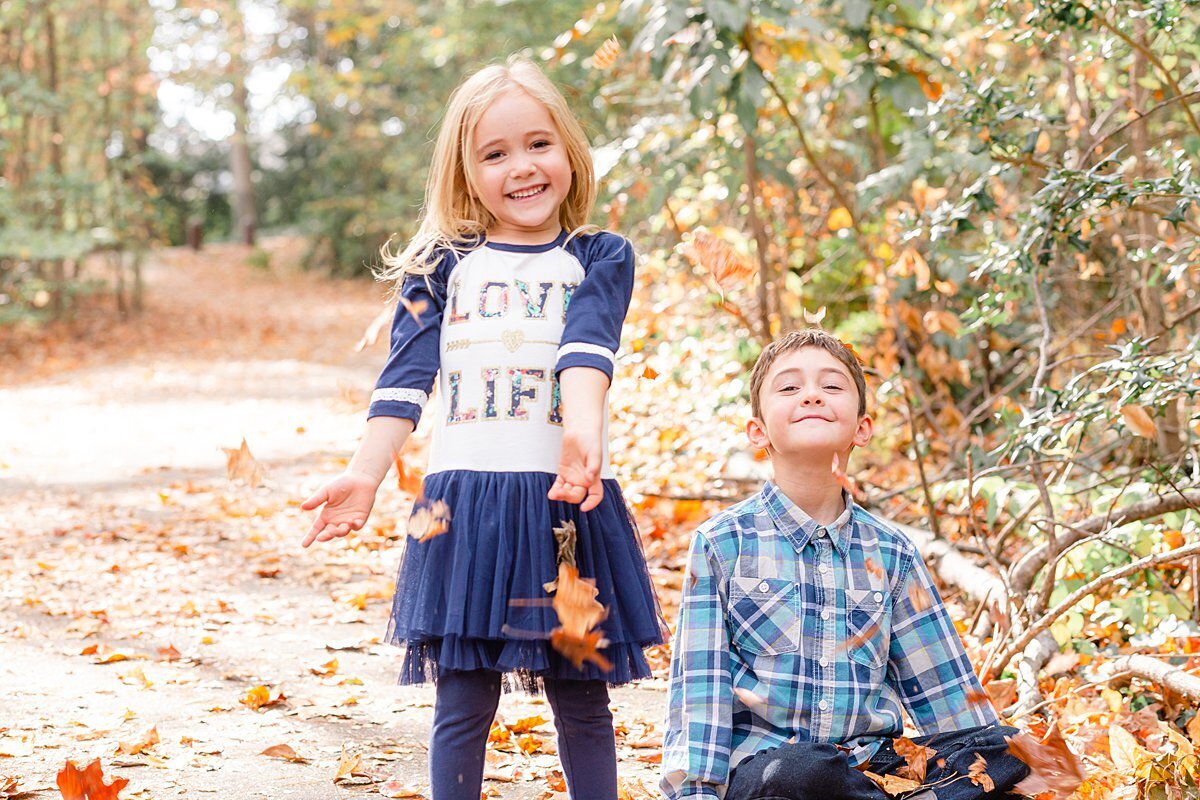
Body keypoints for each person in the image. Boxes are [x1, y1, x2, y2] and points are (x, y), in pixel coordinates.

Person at [300, 55, 664, 800]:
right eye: (494, 154)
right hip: (462, 510)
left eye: (538, 144)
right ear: (465, 173)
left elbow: (587, 349)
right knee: (462, 698)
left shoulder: (597, 256)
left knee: (582, 700)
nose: (521, 167)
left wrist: (582, 433)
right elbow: (405, 380)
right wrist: (366, 474)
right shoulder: (441, 266)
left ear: (569, 150)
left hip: (565, 504)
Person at [661, 329, 1030, 799]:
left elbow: (950, 698)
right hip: (772, 772)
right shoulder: (721, 544)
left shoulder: (892, 553)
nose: (812, 394)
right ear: (758, 431)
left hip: (872, 769)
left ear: (862, 427)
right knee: (802, 773)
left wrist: (991, 767)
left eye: (832, 386)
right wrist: (696, 792)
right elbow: (700, 697)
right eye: (790, 387)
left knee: (1008, 749)